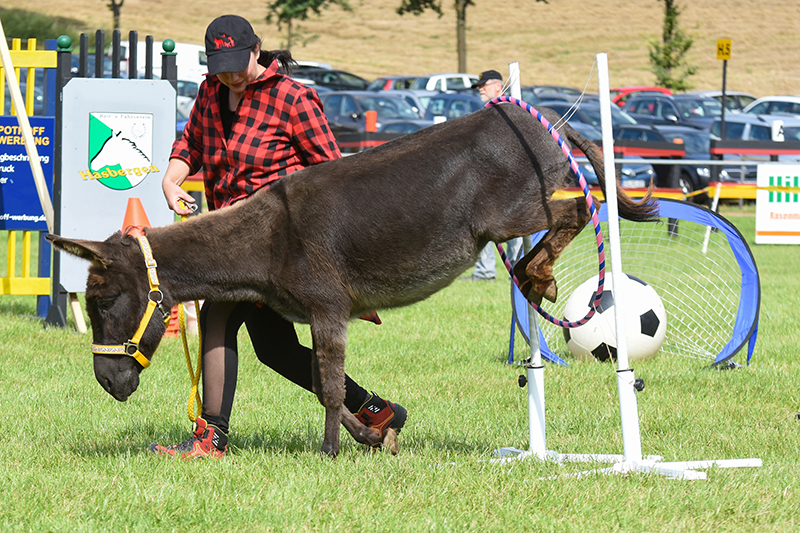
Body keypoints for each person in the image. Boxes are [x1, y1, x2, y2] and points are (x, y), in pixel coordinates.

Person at [150, 14, 406, 458]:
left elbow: (332, 175)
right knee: (275, 350)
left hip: (282, 248)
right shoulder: (210, 93)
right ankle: (374, 411)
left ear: (257, 51)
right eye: (219, 66)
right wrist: (172, 181)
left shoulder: (293, 99)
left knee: (216, 316)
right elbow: (189, 142)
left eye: (236, 63)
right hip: (229, 240)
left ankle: (211, 438)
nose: (228, 76)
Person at [462, 70, 523, 281]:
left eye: (484, 84)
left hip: (510, 179)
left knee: (514, 224)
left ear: (498, 86)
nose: (480, 88)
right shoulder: (488, 113)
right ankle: (485, 271)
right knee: (482, 223)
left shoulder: (510, 112)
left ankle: (516, 268)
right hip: (490, 179)